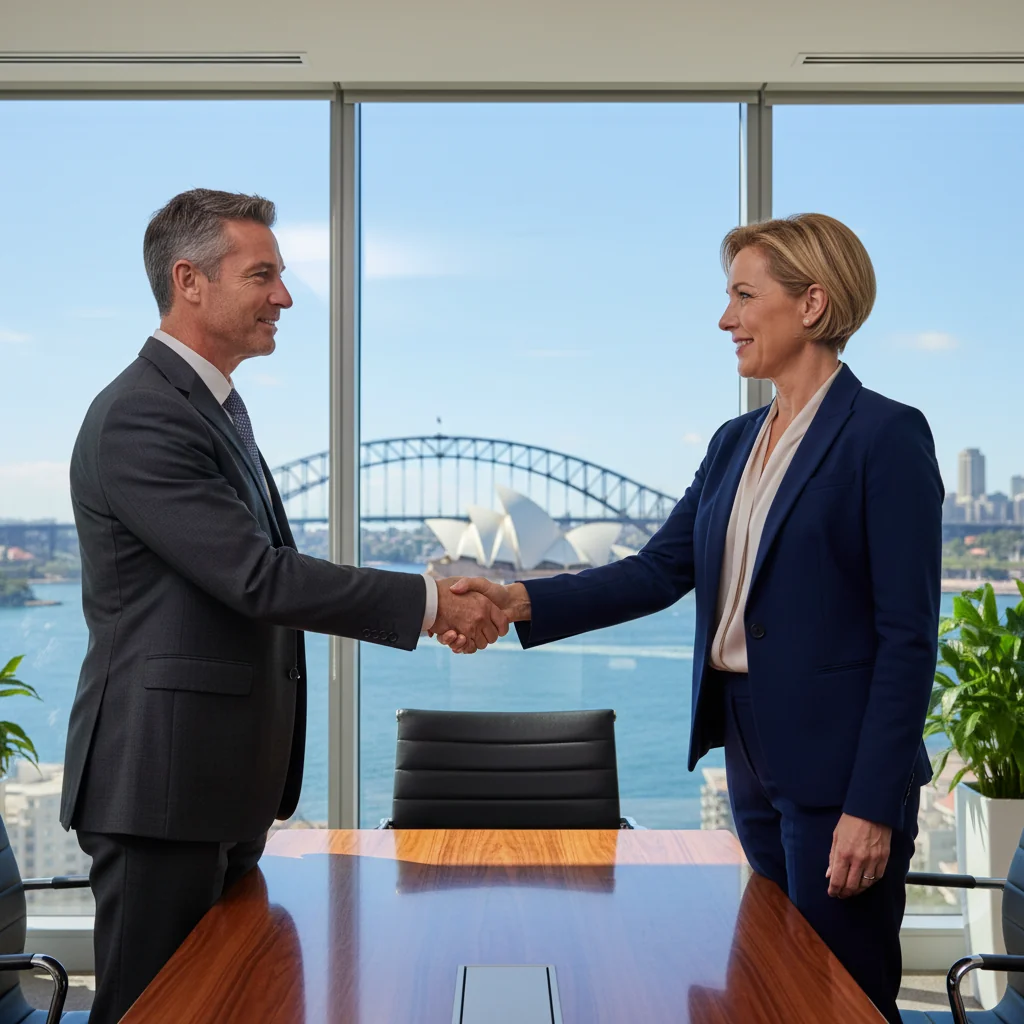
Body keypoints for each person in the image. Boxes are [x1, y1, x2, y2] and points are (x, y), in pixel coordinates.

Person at [437, 213, 942, 1023]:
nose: (725, 318)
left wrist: (874, 804)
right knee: (768, 982)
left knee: (839, 995)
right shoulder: (733, 442)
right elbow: (660, 569)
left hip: (840, 768)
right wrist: (517, 598)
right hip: (747, 746)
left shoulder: (884, 436)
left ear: (812, 304)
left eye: (744, 296)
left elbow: (909, 637)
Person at [61, 188, 507, 1024]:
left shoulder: (213, 407)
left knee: (226, 1004)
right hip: (161, 785)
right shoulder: (142, 416)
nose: (286, 297)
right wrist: (430, 600)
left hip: (217, 782)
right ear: (189, 281)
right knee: (156, 1008)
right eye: (263, 274)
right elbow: (261, 579)